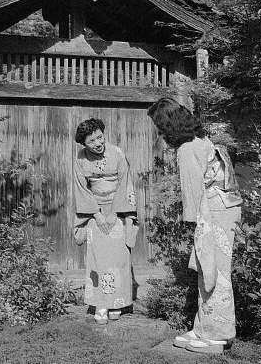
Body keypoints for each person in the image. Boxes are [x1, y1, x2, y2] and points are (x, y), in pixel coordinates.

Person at [147, 98, 242, 354]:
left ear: (168, 126)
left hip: (213, 211)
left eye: (159, 126)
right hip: (223, 208)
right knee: (207, 270)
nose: (159, 132)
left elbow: (192, 192)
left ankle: (218, 336)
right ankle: (203, 327)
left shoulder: (187, 149)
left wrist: (194, 226)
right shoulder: (201, 141)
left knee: (215, 273)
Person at [73, 118, 139, 325]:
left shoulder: (117, 153)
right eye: (92, 141)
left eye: (100, 137)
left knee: (119, 256)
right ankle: (101, 304)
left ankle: (117, 303)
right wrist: (98, 215)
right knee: (98, 257)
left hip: (118, 210)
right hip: (94, 211)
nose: (98, 143)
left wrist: (113, 214)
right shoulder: (80, 158)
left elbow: (125, 183)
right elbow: (82, 189)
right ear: (84, 144)